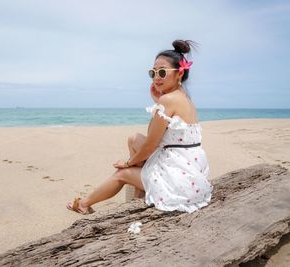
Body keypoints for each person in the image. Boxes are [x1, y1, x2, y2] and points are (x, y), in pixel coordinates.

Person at [67, 40, 213, 214]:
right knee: (133, 139)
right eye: (153, 72)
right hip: (189, 168)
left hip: (178, 179)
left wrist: (128, 164)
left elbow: (151, 143)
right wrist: (158, 103)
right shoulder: (184, 98)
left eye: (162, 72)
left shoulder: (168, 100)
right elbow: (155, 140)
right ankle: (140, 191)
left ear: (179, 74)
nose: (156, 77)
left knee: (122, 174)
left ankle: (84, 204)